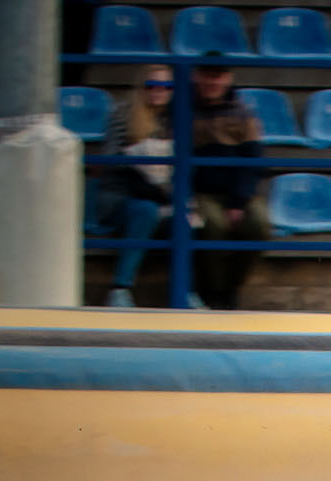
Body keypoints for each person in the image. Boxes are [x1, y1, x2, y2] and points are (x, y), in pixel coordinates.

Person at [185, 59, 268, 311]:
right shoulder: (183, 110)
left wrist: (238, 201)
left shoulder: (244, 114)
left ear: (228, 79)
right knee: (213, 226)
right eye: (207, 76)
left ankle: (232, 288)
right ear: (197, 77)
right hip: (201, 192)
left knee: (259, 226)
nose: (213, 82)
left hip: (236, 192)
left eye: (218, 76)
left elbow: (253, 160)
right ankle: (214, 291)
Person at [96, 68, 177, 309]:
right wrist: (151, 185)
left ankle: (185, 291)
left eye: (165, 87)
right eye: (151, 85)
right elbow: (112, 161)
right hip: (119, 195)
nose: (158, 91)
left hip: (161, 196)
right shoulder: (123, 115)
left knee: (188, 218)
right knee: (146, 211)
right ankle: (120, 288)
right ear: (141, 87)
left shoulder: (175, 119)